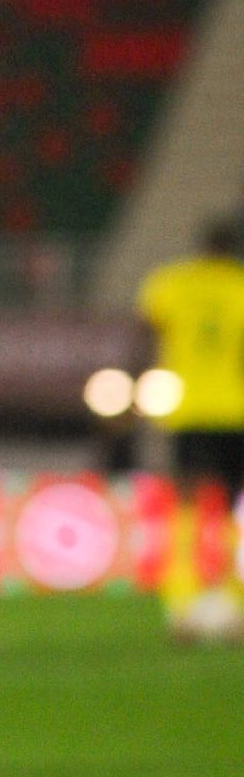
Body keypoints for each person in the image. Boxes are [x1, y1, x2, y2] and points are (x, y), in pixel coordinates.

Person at [137, 219, 244, 641]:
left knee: (186, 503)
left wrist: (140, 384)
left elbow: (145, 335)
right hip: (235, 410)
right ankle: (233, 600)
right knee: (234, 506)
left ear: (202, 247)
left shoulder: (171, 283)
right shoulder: (239, 286)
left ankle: (181, 603)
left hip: (188, 409)